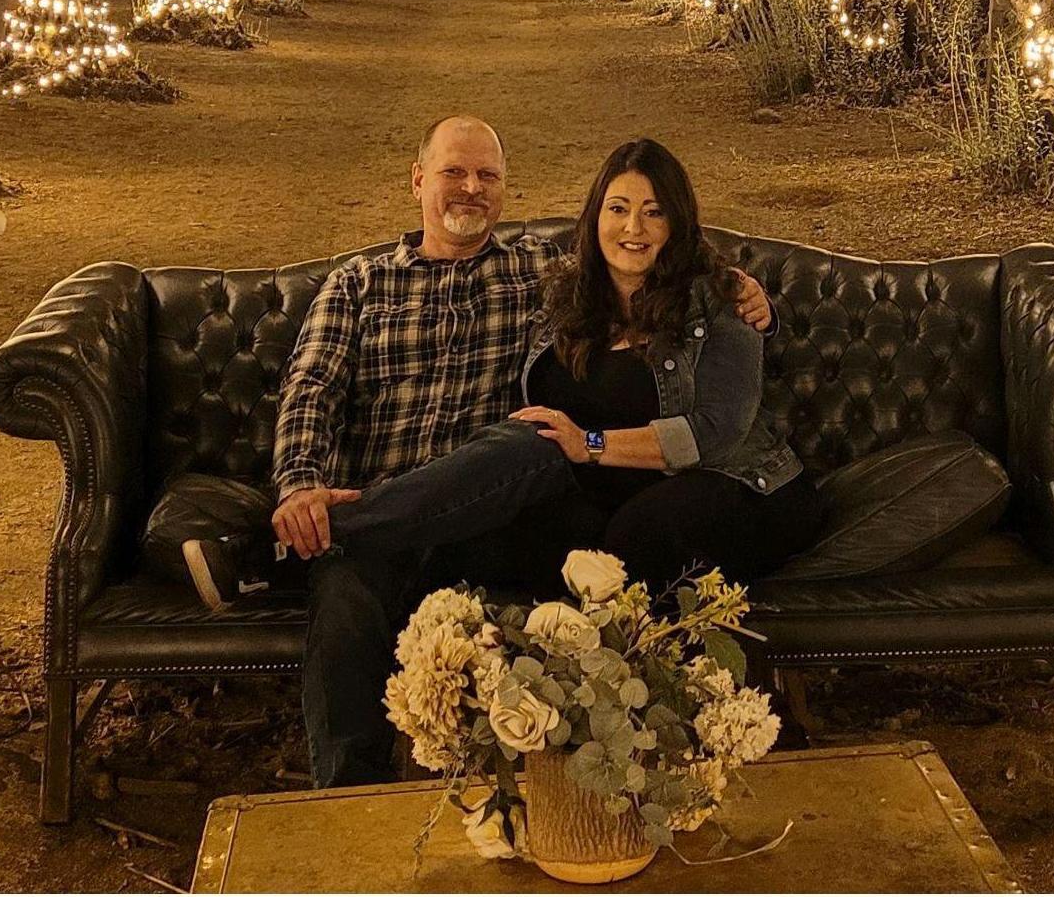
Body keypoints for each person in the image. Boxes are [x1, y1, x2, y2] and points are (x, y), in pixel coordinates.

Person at [158, 116, 776, 788]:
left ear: (505, 190)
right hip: (383, 504)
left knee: (537, 440)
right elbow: (311, 390)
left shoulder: (541, 274)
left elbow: (644, 249)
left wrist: (738, 286)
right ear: (418, 179)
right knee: (347, 582)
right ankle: (346, 803)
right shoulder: (358, 283)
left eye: (488, 176)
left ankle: (285, 545)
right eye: (453, 172)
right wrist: (302, 485)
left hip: (492, 508)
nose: (471, 188)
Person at [511, 137, 823, 590]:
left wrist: (589, 444)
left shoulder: (720, 296)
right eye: (618, 209)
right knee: (522, 533)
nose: (633, 227)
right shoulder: (565, 297)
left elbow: (717, 432)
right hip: (617, 490)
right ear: (595, 216)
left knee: (637, 537)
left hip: (738, 485)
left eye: (654, 212)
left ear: (677, 222)